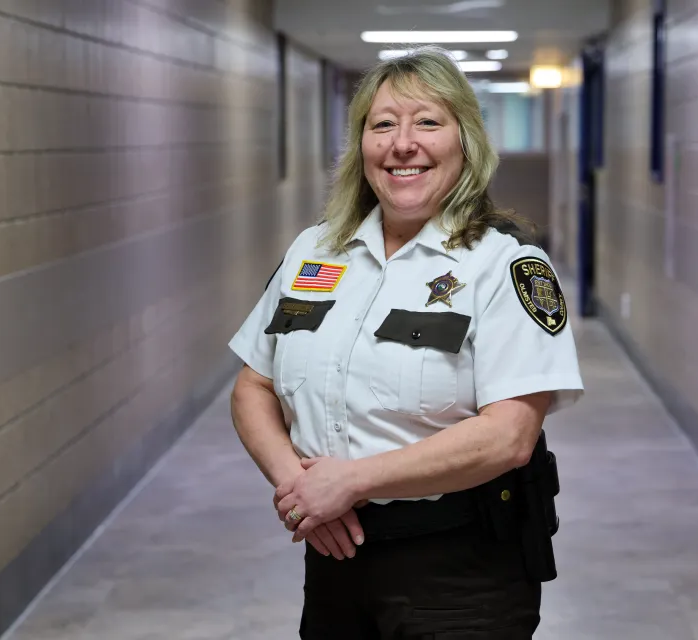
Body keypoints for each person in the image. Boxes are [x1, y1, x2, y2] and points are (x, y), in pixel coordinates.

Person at [228, 46, 584, 639]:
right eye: (383, 124)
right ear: (360, 144)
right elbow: (253, 385)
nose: (402, 144)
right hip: (335, 558)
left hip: (461, 573)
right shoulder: (315, 251)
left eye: (427, 122)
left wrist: (352, 481)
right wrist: (301, 490)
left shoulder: (504, 265)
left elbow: (510, 435)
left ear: (465, 140)